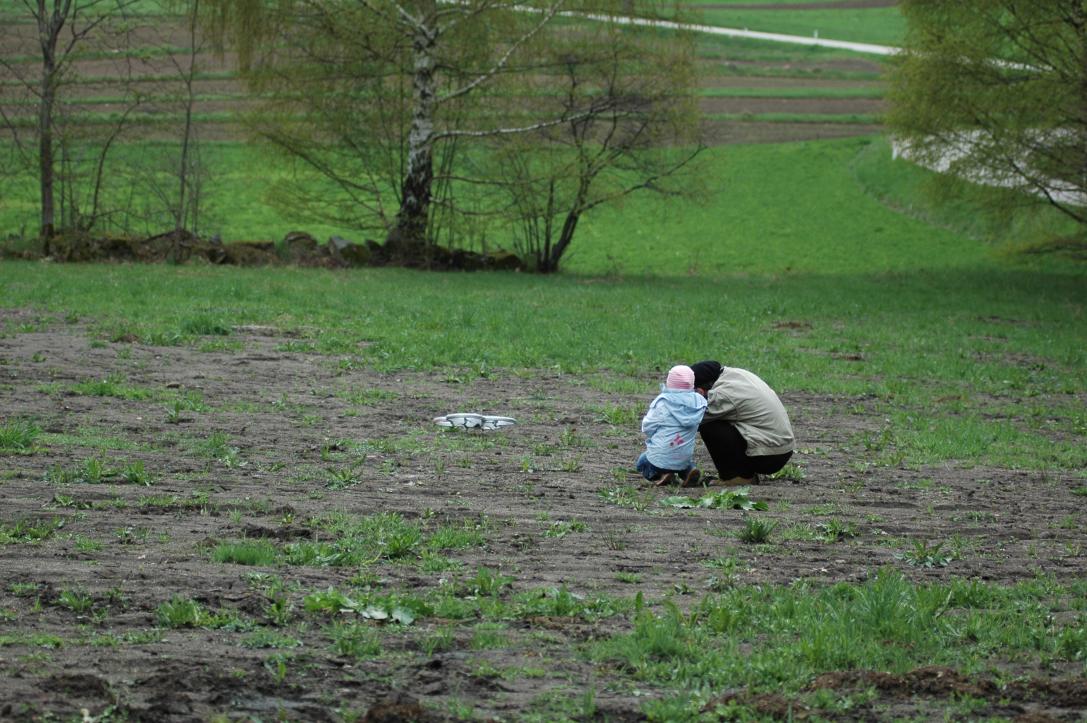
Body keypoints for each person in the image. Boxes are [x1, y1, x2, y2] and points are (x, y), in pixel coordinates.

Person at [689, 361, 794, 485]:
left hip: (769, 456)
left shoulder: (723, 395)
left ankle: (738, 477)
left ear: (703, 388)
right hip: (781, 448)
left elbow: (689, 420)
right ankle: (745, 472)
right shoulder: (734, 374)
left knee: (710, 426)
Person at [636, 365, 707, 487]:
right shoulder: (699, 402)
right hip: (683, 456)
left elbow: (648, 426)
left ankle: (661, 474)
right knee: (682, 462)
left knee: (642, 463)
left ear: (669, 381)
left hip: (660, 456)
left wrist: (652, 434)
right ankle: (689, 471)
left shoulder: (663, 402)